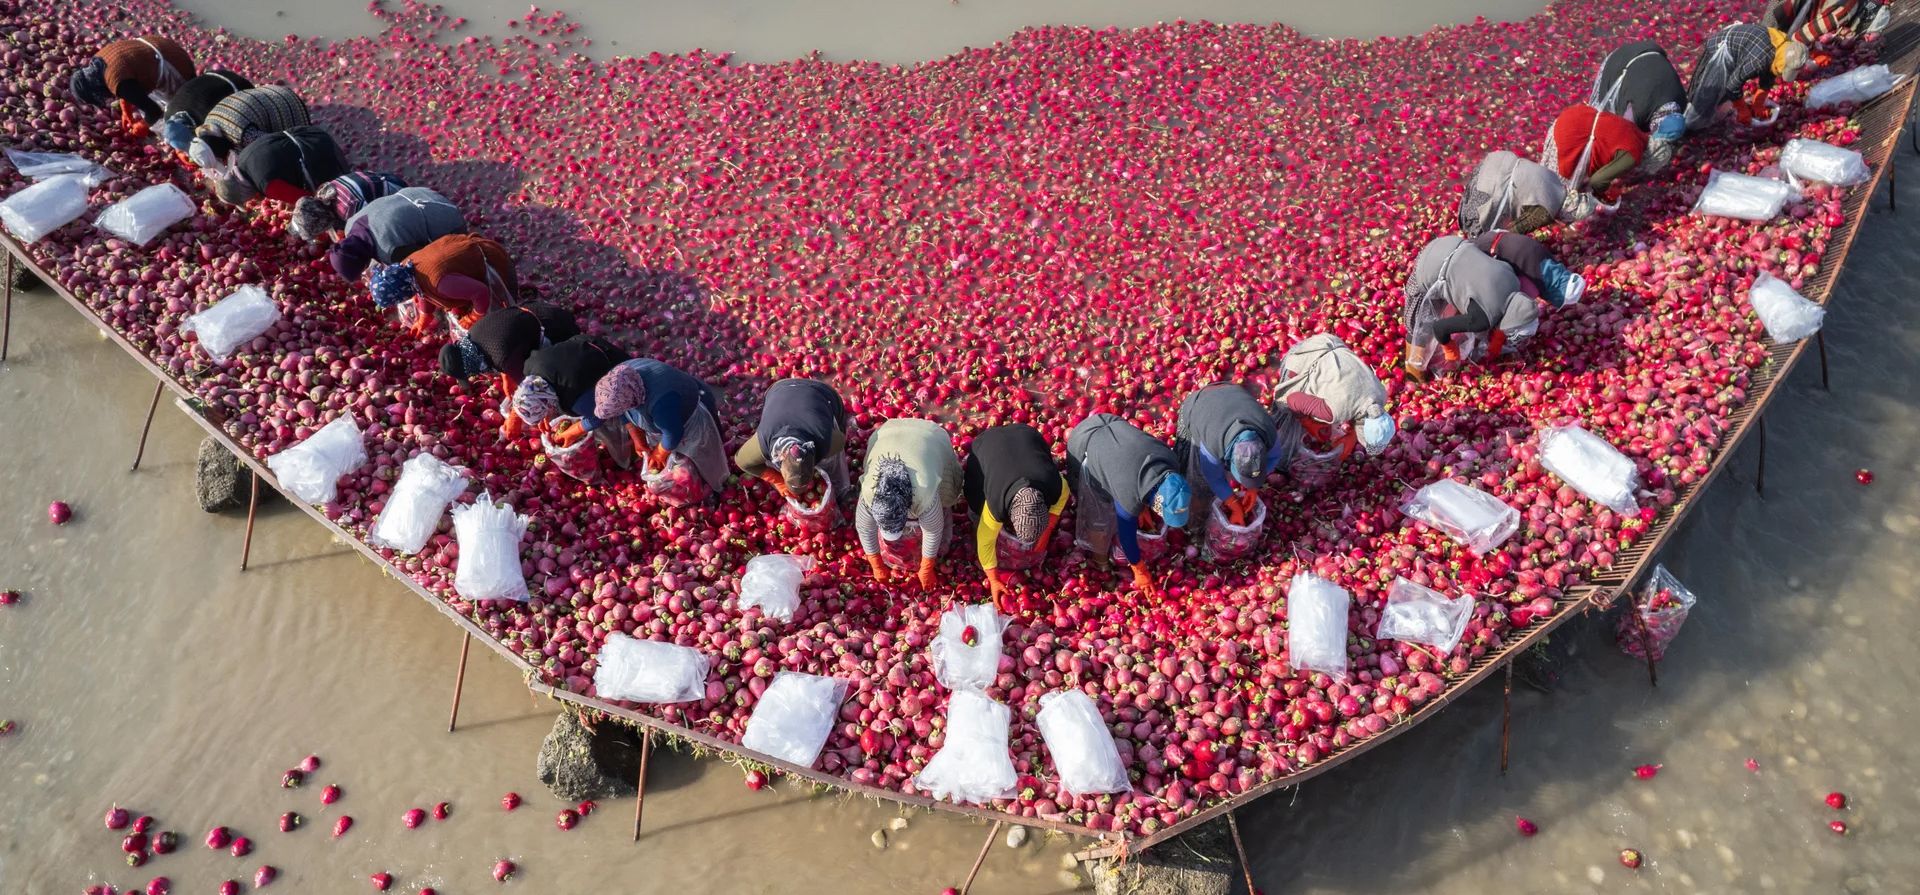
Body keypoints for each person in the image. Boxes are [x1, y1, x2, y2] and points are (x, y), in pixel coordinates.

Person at [1064, 413, 1190, 597]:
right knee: (1097, 516)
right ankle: (1100, 561)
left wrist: (1143, 505)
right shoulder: (1129, 493)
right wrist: (1140, 571)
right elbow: (1127, 538)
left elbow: (1147, 478)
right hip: (1085, 443)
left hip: (1114, 425)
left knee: (1120, 492)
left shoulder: (1171, 461)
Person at [1401, 236, 1540, 380]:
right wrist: (1451, 352)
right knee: (1417, 326)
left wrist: (1497, 340)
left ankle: (1428, 357)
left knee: (1453, 307)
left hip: (1452, 244)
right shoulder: (1483, 319)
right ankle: (1414, 376)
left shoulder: (1514, 282)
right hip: (1429, 265)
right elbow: (1439, 327)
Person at [962, 423, 1070, 607]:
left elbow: (1063, 496)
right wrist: (994, 580)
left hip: (1026, 434)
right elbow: (985, 542)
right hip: (987, 444)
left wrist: (1048, 530)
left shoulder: (1054, 484)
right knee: (975, 500)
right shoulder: (995, 504)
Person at [592, 359, 729, 494]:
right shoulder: (618, 381)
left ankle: (712, 482)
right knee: (677, 453)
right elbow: (622, 411)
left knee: (702, 450)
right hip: (668, 413)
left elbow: (673, 434)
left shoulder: (660, 402)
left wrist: (659, 454)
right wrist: (637, 437)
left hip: (690, 409)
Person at [856, 418, 963, 589]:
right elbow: (865, 527)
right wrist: (876, 564)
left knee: (945, 495)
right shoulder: (870, 492)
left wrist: (926, 567)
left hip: (931, 437)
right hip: (886, 433)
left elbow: (933, 530)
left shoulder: (924, 491)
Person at [438, 301, 582, 422]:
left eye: (467, 372)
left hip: (556, 328)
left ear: (467, 363)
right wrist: (506, 377)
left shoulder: (501, 357)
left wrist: (515, 418)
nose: (472, 374)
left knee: (564, 394)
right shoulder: (473, 335)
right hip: (538, 310)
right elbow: (506, 343)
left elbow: (534, 388)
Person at [1175, 384, 1283, 535]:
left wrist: (1253, 488)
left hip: (1232, 393)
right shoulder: (1212, 444)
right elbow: (1213, 478)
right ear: (1230, 459)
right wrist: (1233, 503)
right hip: (1199, 404)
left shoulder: (1268, 433)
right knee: (1196, 476)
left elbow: (1274, 457)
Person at [1273, 334, 1395, 464]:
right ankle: (1280, 454)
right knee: (1285, 412)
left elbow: (1355, 398)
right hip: (1305, 356)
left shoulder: (1381, 395)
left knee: (1311, 409)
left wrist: (1351, 433)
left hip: (1331, 343)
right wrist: (1306, 421)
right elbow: (1293, 399)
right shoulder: (1334, 411)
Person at [367, 233, 517, 337]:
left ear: (401, 293)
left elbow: (481, 292)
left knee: (506, 310)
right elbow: (421, 288)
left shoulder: (440, 283)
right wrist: (425, 315)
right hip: (465, 261)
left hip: (491, 262)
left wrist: (474, 316)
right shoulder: (405, 269)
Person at [510, 334, 633, 461]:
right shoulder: (530, 366)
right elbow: (534, 394)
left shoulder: (574, 400)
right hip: (584, 342)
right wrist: (543, 413)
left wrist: (575, 431)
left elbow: (600, 415)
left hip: (613, 362)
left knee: (624, 402)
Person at [733, 378, 853, 506]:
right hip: (780, 389)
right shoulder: (765, 441)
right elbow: (740, 461)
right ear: (781, 456)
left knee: (835, 434)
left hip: (823, 393)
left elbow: (841, 439)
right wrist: (777, 480)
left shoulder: (829, 442)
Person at [323, 187, 467, 281]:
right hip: (421, 193)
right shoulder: (350, 225)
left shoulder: (390, 251)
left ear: (362, 262)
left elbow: (428, 262)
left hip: (447, 216)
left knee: (443, 265)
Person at [1684, 23, 1806, 131]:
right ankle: (1686, 126)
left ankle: (1715, 115)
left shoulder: (1783, 48)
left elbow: (1771, 70)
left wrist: (1759, 102)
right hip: (1720, 48)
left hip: (1740, 47)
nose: (1782, 71)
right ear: (1782, 61)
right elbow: (1732, 86)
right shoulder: (1758, 60)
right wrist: (1742, 109)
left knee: (1722, 98)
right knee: (1704, 100)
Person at [1589, 41, 1686, 172]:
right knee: (1604, 117)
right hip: (1622, 60)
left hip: (1647, 55)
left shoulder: (1681, 101)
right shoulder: (1638, 110)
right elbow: (1622, 132)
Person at [68, 36, 196, 134]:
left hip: (171, 61)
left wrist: (143, 125)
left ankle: (191, 133)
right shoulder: (97, 60)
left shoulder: (117, 81)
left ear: (94, 89)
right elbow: (128, 76)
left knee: (184, 106)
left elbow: (154, 111)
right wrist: (126, 109)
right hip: (157, 46)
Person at [1458, 150, 1598, 238]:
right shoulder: (1546, 212)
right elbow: (1513, 231)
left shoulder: (1557, 182)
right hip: (1495, 187)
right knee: (1482, 232)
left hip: (1495, 163)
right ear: (1569, 213)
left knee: (1471, 198)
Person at [211, 125, 350, 206]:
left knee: (333, 198)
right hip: (309, 132)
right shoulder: (242, 156)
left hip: (320, 150)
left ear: (242, 193)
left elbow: (310, 200)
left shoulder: (268, 186)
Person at [188, 85, 309, 176]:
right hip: (268, 90)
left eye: (219, 158)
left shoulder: (241, 134)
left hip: (285, 103)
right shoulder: (208, 125)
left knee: (294, 149)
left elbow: (275, 146)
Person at [1542, 104, 1648, 200]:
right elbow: (1597, 181)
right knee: (1556, 190)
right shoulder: (1634, 154)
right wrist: (1608, 191)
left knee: (1545, 176)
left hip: (1572, 117)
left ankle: (1540, 185)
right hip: (1571, 137)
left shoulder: (1637, 132)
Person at [1472, 229, 1587, 309]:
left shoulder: (1552, 263)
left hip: (1492, 236)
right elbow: (1512, 302)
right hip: (1485, 253)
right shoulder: (1533, 288)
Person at [289, 172, 410, 243]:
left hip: (394, 191)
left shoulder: (348, 209)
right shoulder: (324, 192)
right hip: (382, 176)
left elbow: (377, 223)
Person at [159, 70, 252, 152]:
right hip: (211, 76)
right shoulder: (168, 116)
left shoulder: (206, 116)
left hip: (234, 84)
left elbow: (226, 139)